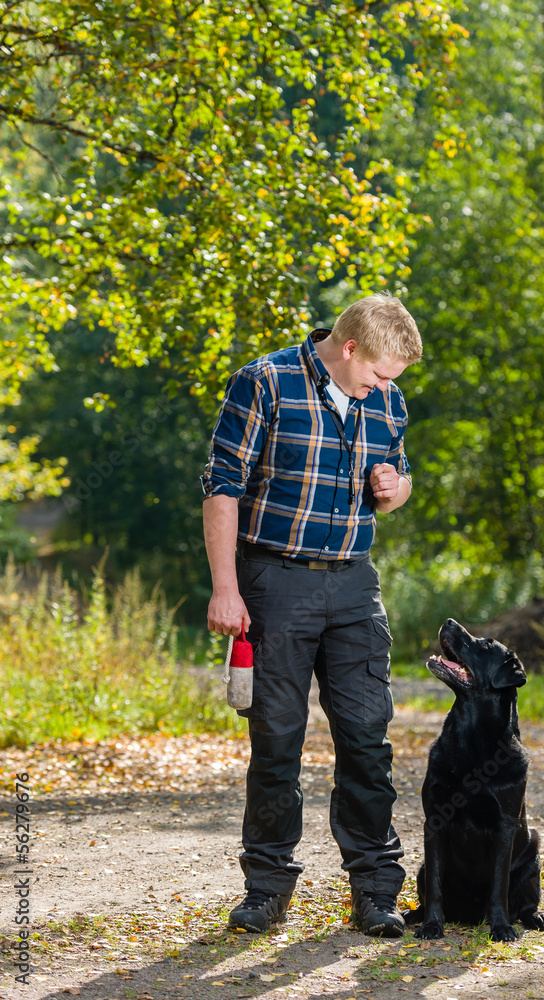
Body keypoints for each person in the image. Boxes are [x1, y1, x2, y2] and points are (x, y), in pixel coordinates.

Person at [201, 293, 422, 937]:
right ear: (349, 349)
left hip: (355, 586)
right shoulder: (264, 383)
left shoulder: (388, 401)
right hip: (274, 581)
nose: (385, 388)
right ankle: (266, 888)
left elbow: (397, 484)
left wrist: (395, 491)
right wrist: (225, 588)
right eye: (379, 374)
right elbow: (222, 488)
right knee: (276, 741)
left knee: (366, 739)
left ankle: (376, 890)